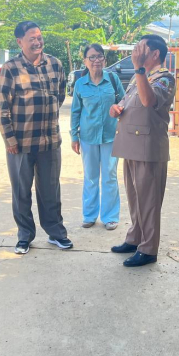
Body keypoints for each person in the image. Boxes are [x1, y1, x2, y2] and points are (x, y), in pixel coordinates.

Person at [0, 21, 72, 254]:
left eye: (39, 37)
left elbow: (59, 96)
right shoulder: (11, 68)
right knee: (21, 192)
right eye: (32, 39)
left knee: (51, 190)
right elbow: (3, 107)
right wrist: (9, 139)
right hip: (21, 142)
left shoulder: (55, 64)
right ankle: (24, 236)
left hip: (50, 140)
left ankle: (56, 233)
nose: (38, 42)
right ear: (20, 41)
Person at [110, 35, 176, 267]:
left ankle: (148, 249)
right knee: (135, 198)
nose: (136, 51)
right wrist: (116, 108)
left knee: (149, 201)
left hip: (149, 148)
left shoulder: (164, 78)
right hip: (131, 146)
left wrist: (138, 69)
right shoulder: (140, 76)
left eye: (141, 48)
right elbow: (128, 102)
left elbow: (148, 101)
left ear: (155, 54)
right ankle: (135, 238)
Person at [70, 43, 126, 230]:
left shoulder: (113, 79)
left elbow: (124, 101)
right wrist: (74, 136)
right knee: (91, 177)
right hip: (88, 137)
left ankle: (110, 217)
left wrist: (119, 108)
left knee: (110, 176)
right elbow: (75, 111)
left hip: (111, 136)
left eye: (99, 56)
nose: (96, 60)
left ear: (104, 59)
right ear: (85, 61)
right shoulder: (80, 84)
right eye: (92, 57)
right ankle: (89, 215)